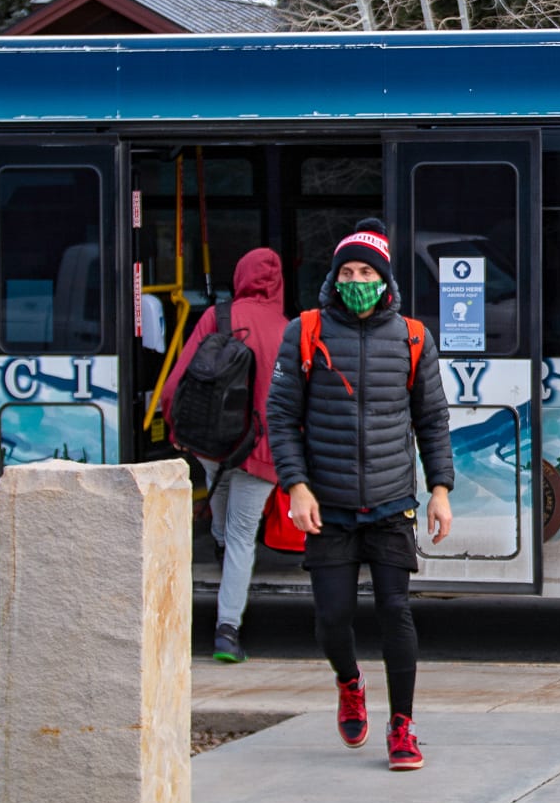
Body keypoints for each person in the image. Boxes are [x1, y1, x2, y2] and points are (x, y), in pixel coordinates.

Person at [266, 218, 454, 771]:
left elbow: (433, 419)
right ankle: (349, 681)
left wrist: (439, 489)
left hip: (393, 501)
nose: (356, 280)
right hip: (328, 504)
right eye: (346, 271)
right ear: (334, 277)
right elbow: (280, 417)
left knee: (396, 612)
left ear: (385, 279)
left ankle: (403, 726)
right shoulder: (305, 331)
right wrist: (296, 487)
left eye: (366, 272)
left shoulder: (413, 337)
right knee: (332, 618)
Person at [162, 247, 288, 665]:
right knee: (240, 537)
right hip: (262, 448)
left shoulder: (218, 317)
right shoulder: (289, 330)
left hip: (213, 443)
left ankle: (216, 540)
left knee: (220, 508)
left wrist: (175, 426)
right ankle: (227, 632)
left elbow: (179, 379)